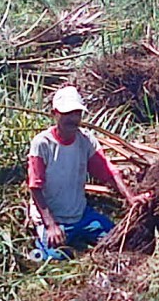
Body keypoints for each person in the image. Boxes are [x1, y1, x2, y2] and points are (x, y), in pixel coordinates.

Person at [27, 85, 149, 260]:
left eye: (77, 113)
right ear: (55, 114)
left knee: (117, 238)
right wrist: (51, 225)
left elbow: (108, 172)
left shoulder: (85, 140)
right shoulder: (42, 144)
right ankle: (42, 246)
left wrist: (130, 197)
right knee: (56, 256)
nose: (73, 119)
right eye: (67, 114)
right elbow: (35, 187)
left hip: (80, 214)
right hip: (54, 218)